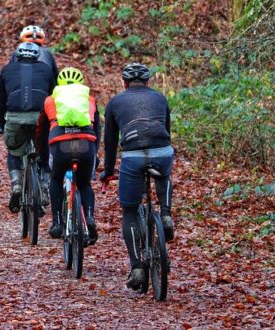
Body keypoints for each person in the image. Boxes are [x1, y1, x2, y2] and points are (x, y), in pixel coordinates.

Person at [99, 63, 174, 290]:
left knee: (129, 210)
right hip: (162, 151)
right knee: (164, 170)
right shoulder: (160, 98)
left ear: (123, 82)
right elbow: (167, 133)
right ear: (148, 82)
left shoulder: (114, 102)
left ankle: (138, 267)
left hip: (132, 156)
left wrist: (109, 171)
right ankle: (167, 214)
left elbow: (110, 143)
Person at [37, 67, 100, 244]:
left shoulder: (50, 100)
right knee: (85, 184)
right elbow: (96, 130)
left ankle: (57, 222)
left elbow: (41, 131)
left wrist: (42, 156)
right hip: (86, 144)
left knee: (56, 179)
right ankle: (89, 217)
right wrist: (96, 153)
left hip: (60, 145)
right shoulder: (89, 100)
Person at [0, 42, 56, 213]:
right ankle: (44, 186)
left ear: (17, 56)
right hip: (40, 118)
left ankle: (16, 184)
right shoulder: (46, 69)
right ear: (37, 56)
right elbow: (54, 96)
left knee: (14, 151)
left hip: (15, 117)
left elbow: (1, 100)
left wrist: (2, 123)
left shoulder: (7, 70)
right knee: (44, 150)